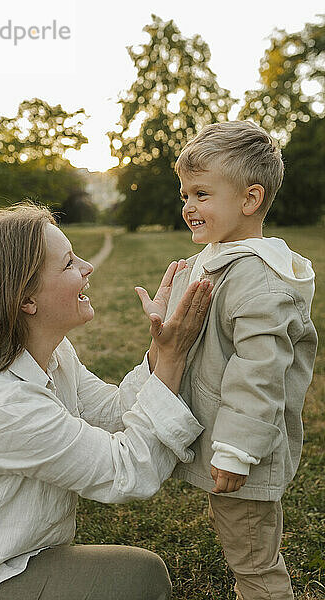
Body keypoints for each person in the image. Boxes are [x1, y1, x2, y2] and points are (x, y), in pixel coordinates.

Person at [0, 203, 213, 600]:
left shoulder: (54, 355)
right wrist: (175, 358)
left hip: (18, 557)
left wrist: (161, 349)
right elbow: (129, 470)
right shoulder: (1, 407)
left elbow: (114, 414)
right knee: (139, 581)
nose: (87, 267)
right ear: (26, 299)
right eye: (68, 264)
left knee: (137, 576)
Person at [136, 121, 318, 599]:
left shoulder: (259, 281)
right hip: (228, 444)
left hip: (247, 452)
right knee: (239, 538)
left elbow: (259, 374)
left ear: (250, 199)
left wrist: (237, 451)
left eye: (200, 194)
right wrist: (167, 318)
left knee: (254, 561)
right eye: (184, 195)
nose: (188, 207)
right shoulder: (220, 258)